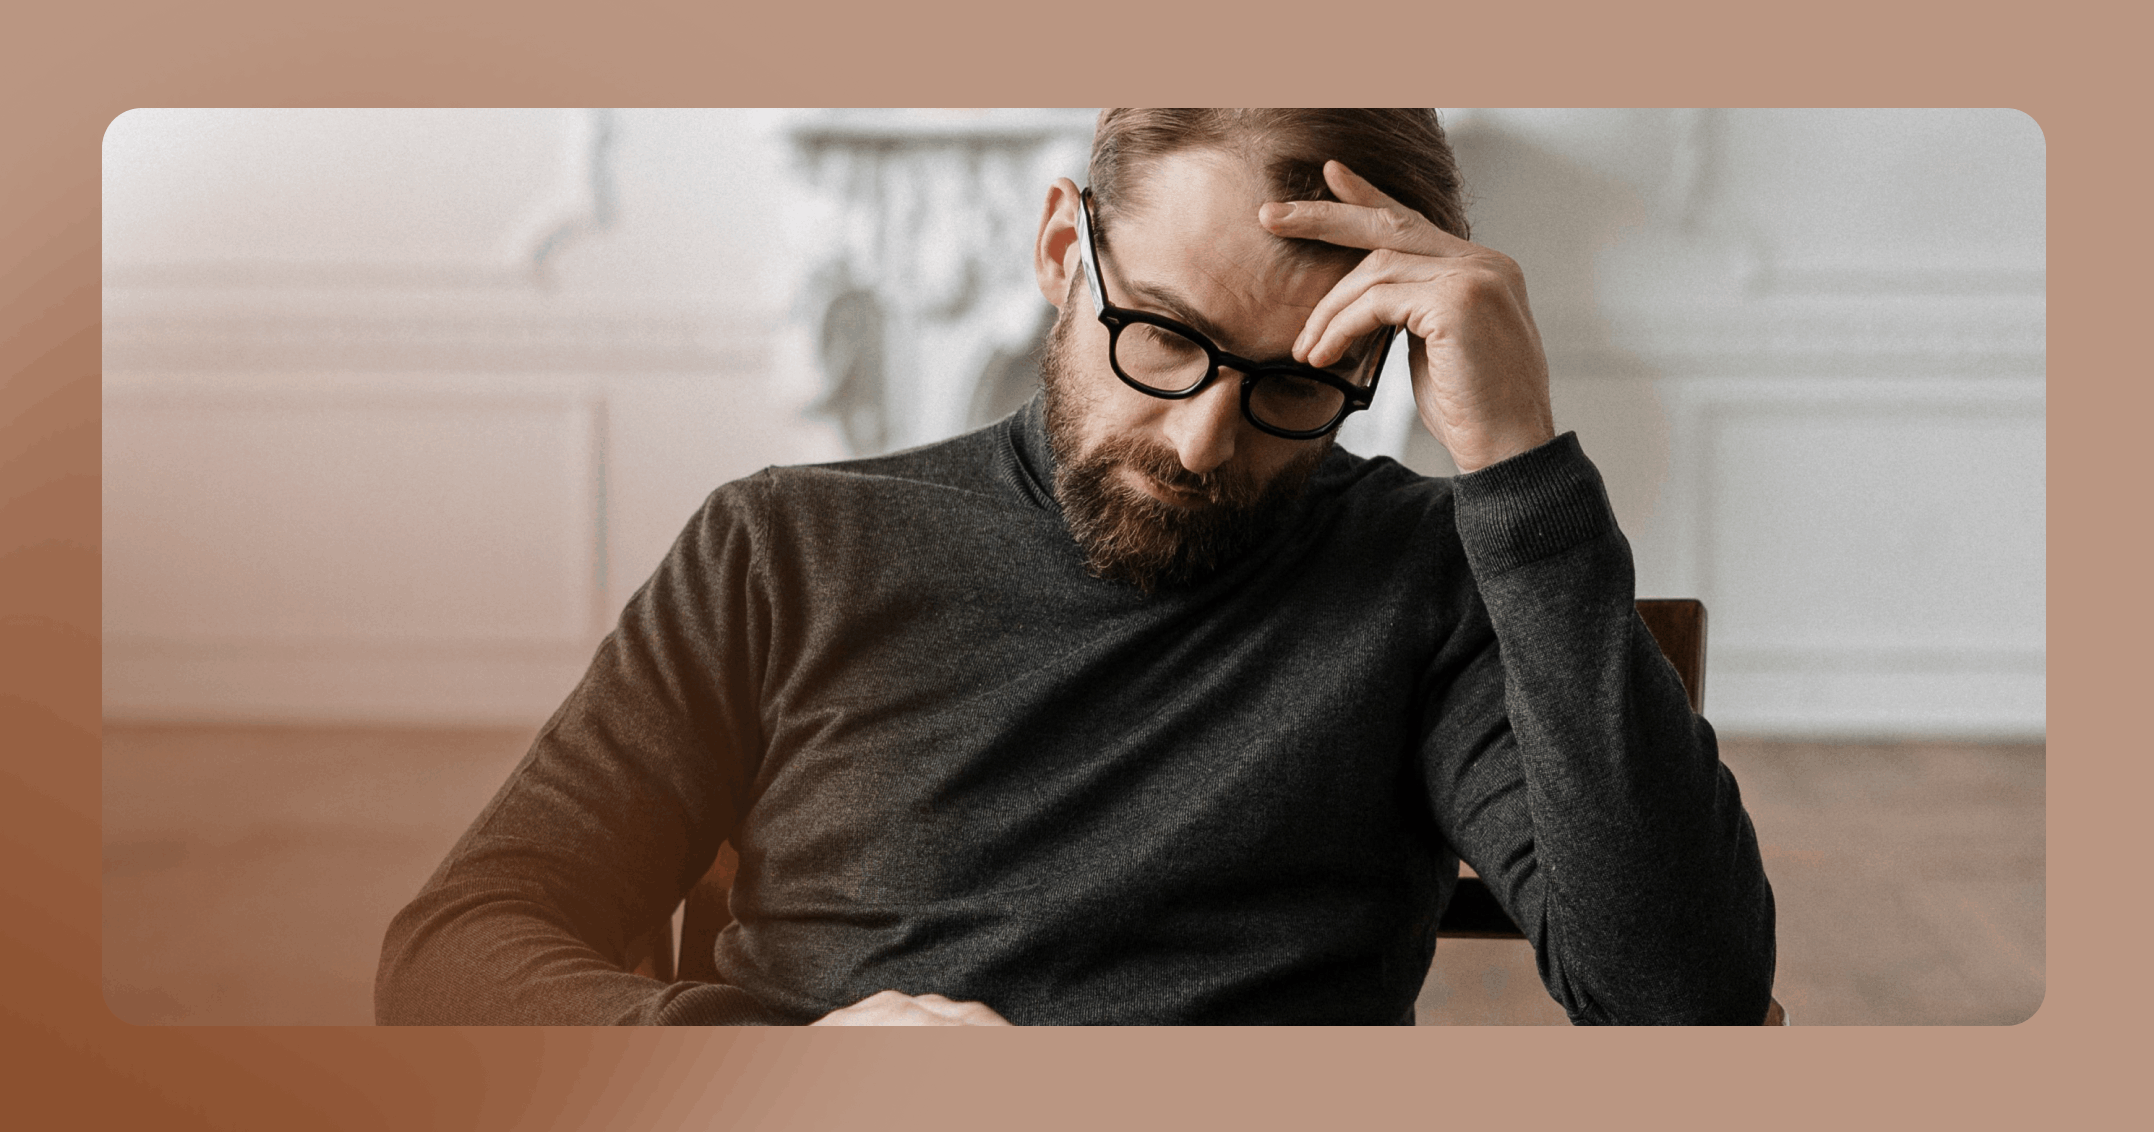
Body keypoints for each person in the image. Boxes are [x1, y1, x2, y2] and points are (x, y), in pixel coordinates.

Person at [376, 108, 1776, 1026]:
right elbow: (455, 954)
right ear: (1064, 252)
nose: (1200, 437)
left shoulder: (1433, 577)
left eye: (1297, 386)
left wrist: (1518, 467)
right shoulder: (783, 545)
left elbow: (1685, 1005)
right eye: (1161, 337)